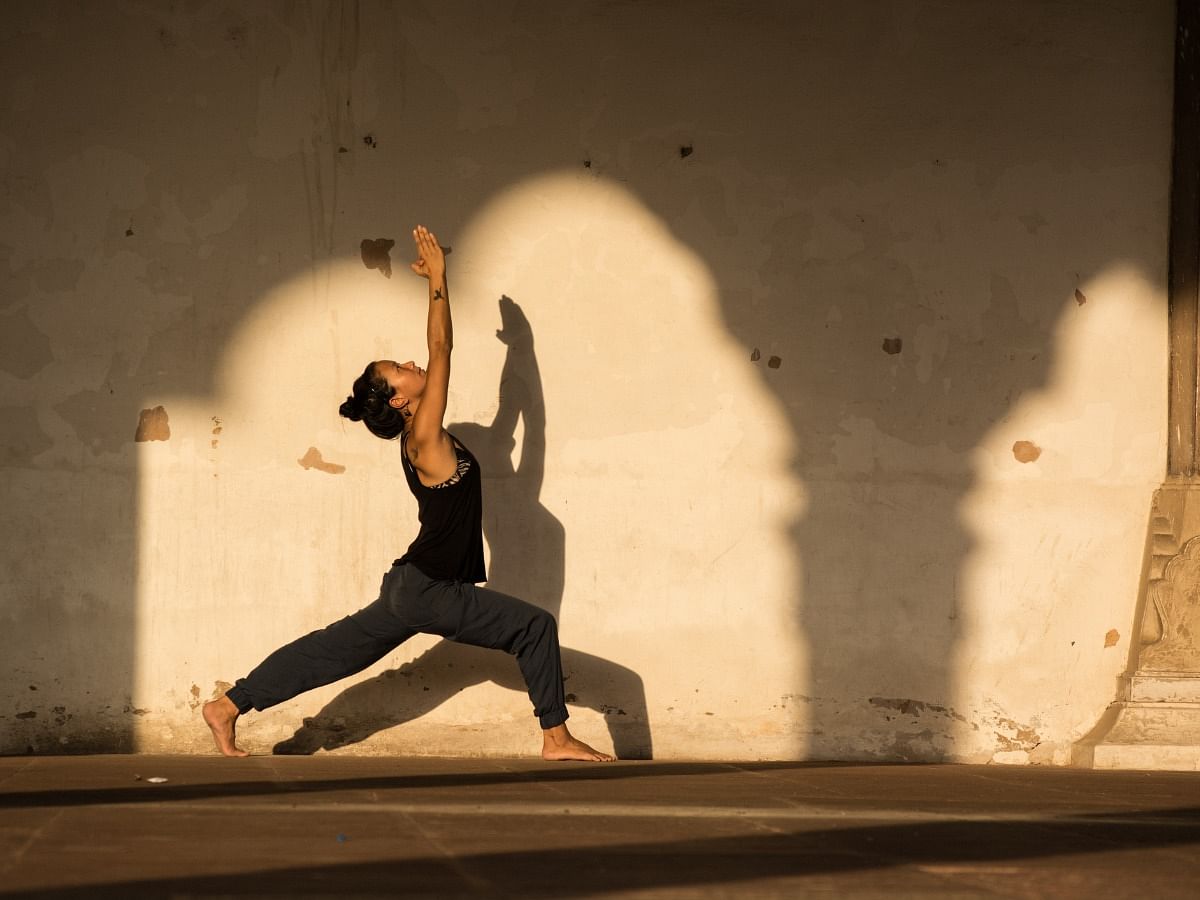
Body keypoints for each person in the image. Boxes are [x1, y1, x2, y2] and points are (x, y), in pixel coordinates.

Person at [203, 225, 613, 762]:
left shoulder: (424, 439)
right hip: (430, 588)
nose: (412, 364)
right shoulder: (422, 439)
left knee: (331, 651)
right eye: (399, 369)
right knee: (535, 627)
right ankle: (556, 739)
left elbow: (519, 425)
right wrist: (439, 280)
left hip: (412, 586)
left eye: (403, 361)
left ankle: (230, 704)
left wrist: (517, 360)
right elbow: (441, 346)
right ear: (398, 401)